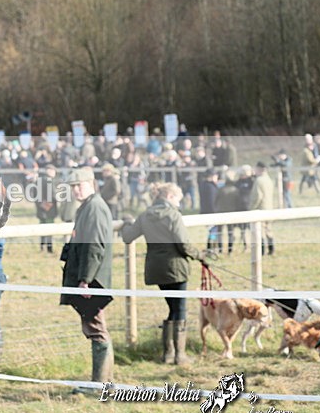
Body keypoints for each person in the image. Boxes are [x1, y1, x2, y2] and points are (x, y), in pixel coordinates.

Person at [121, 182, 206, 365]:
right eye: (177, 200)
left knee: (172, 308)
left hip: (156, 269)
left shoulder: (144, 216)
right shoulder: (173, 215)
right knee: (180, 309)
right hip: (176, 268)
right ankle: (180, 355)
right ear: (169, 197)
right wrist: (200, 256)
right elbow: (183, 244)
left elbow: (127, 236)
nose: (178, 204)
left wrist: (127, 222)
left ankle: (169, 353)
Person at [59, 167, 114, 388]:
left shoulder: (95, 208)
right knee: (95, 326)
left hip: (92, 280)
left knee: (96, 328)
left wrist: (86, 279)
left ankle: (101, 384)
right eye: (72, 187)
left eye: (78, 186)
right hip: (88, 276)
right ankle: (102, 382)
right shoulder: (88, 207)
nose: (75, 191)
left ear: (90, 183)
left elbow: (94, 247)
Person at [249, 161, 275, 255]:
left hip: (261, 208)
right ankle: (272, 249)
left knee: (261, 231)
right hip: (269, 207)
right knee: (269, 230)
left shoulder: (259, 180)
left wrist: (252, 208)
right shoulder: (269, 180)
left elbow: (257, 196)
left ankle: (262, 251)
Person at [35, 165, 58, 253]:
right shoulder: (49, 181)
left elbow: (35, 196)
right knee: (49, 229)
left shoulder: (38, 180)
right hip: (50, 209)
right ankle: (49, 248)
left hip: (41, 209)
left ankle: (42, 246)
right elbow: (53, 195)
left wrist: (40, 204)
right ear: (49, 171)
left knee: (42, 228)